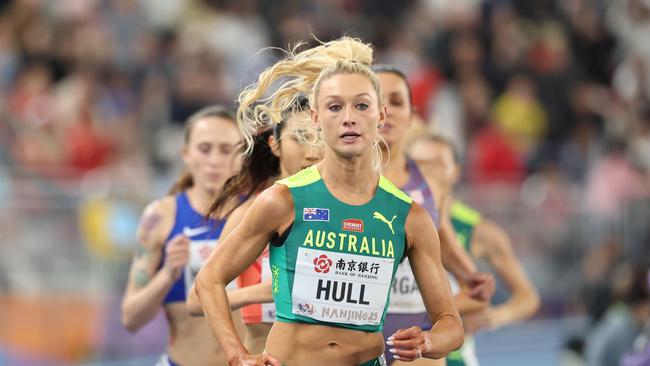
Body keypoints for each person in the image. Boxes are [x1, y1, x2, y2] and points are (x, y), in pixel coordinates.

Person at [194, 37, 464, 366]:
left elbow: (451, 324)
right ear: (316, 118)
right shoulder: (283, 200)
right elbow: (209, 280)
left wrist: (429, 340)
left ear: (380, 116)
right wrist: (237, 356)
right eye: (335, 107)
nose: (348, 118)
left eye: (361, 106)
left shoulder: (409, 217)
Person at [373, 65, 494, 366]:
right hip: (353, 329)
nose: (387, 112)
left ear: (412, 113)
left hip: (414, 334)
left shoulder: (431, 179)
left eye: (397, 102)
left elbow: (443, 241)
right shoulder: (337, 177)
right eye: (377, 102)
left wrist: (470, 279)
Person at [187, 95, 323, 355]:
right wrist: (263, 292)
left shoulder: (344, 213)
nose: (313, 151)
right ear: (275, 144)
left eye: (320, 137)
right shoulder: (250, 214)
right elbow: (196, 300)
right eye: (300, 138)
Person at [121, 106, 243, 366]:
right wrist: (167, 274)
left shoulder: (260, 213)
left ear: (242, 155)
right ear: (186, 154)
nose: (214, 160)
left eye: (225, 150)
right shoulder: (161, 217)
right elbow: (130, 317)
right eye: (204, 148)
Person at [410, 134, 541, 366]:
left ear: (455, 171)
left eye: (437, 164)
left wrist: (496, 316)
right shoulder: (395, 219)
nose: (426, 173)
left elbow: (528, 297)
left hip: (453, 355)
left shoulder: (478, 231)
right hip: (403, 351)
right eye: (418, 164)